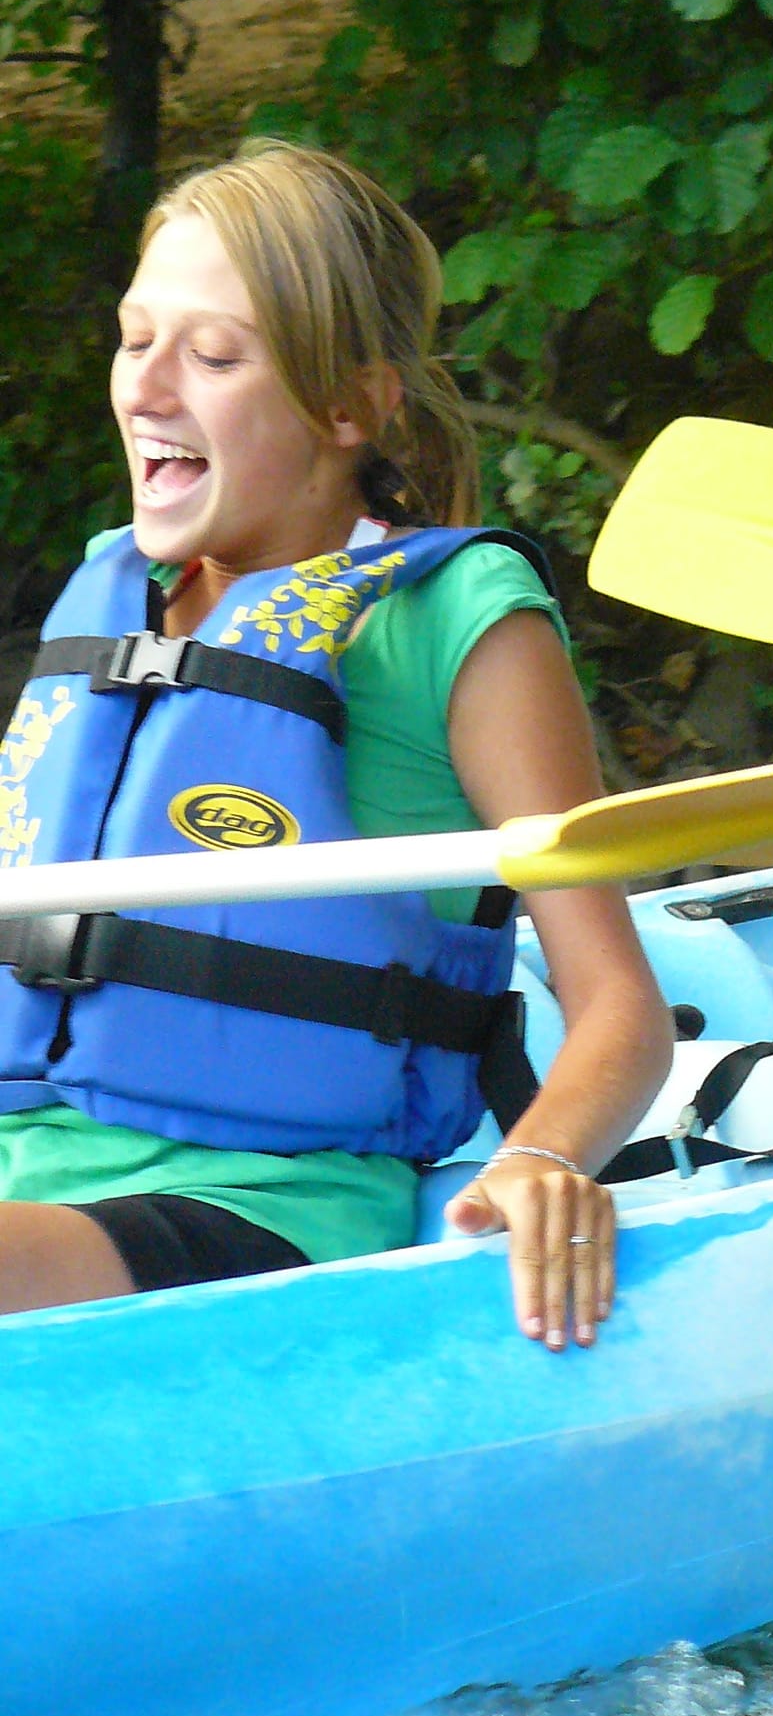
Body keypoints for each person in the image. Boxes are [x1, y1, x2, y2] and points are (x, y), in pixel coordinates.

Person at [0, 142, 672, 1343]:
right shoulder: (111, 598)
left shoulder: (454, 624)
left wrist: (541, 1160)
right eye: (133, 335)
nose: (146, 389)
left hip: (249, 1195)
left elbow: (618, 1004)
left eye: (210, 356)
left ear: (349, 406)